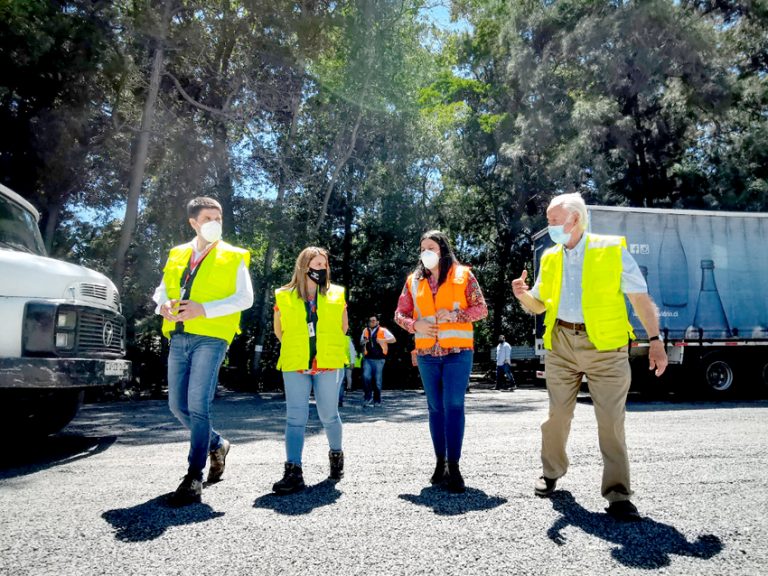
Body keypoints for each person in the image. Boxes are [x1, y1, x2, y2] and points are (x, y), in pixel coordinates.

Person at [512, 192, 668, 521]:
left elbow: (640, 299)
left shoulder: (611, 250)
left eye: (554, 220)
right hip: (562, 345)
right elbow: (540, 305)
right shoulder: (551, 258)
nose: (549, 226)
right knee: (557, 416)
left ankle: (618, 494)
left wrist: (655, 340)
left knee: (610, 422)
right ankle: (551, 472)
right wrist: (524, 296)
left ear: (575, 220)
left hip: (606, 349)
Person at [153, 196, 253, 506]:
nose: (214, 223)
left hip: (211, 337)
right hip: (180, 336)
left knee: (198, 404)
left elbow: (245, 298)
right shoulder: (177, 253)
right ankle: (217, 443)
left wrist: (204, 310)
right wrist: (163, 307)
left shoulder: (233, 255)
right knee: (176, 405)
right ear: (194, 222)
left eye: (218, 218)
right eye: (208, 218)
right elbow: (162, 291)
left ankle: (193, 477)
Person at [395, 230, 488, 493]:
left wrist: (457, 314)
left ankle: (455, 466)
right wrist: (415, 324)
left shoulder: (463, 275)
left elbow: (481, 309)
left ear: (443, 250)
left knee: (454, 405)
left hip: (458, 353)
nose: (426, 252)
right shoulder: (413, 280)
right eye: (423, 247)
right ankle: (440, 463)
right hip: (427, 355)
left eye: (431, 247)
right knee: (435, 409)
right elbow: (399, 313)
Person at [272, 246, 349, 495]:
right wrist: (302, 352)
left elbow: (343, 328)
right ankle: (293, 471)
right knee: (295, 417)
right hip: (295, 362)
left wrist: (321, 353)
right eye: (316, 264)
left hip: (329, 362)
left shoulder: (337, 294)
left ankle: (336, 456)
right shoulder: (283, 295)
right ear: (303, 267)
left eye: (324, 264)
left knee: (328, 414)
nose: (320, 268)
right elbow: (279, 331)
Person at [360, 315, 396, 407]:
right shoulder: (365, 330)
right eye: (370, 320)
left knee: (377, 380)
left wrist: (382, 340)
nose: (371, 322)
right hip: (368, 358)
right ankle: (368, 397)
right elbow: (361, 342)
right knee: (365, 377)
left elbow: (393, 339)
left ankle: (377, 400)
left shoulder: (383, 330)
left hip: (379, 359)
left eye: (373, 320)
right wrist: (364, 342)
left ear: (377, 322)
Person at [337, 335, 356, 407]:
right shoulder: (346, 338)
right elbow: (352, 351)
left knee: (339, 383)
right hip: (341, 363)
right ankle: (339, 401)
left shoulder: (346, 338)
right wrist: (352, 362)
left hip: (335, 363)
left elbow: (351, 350)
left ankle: (337, 401)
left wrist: (352, 362)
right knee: (341, 383)